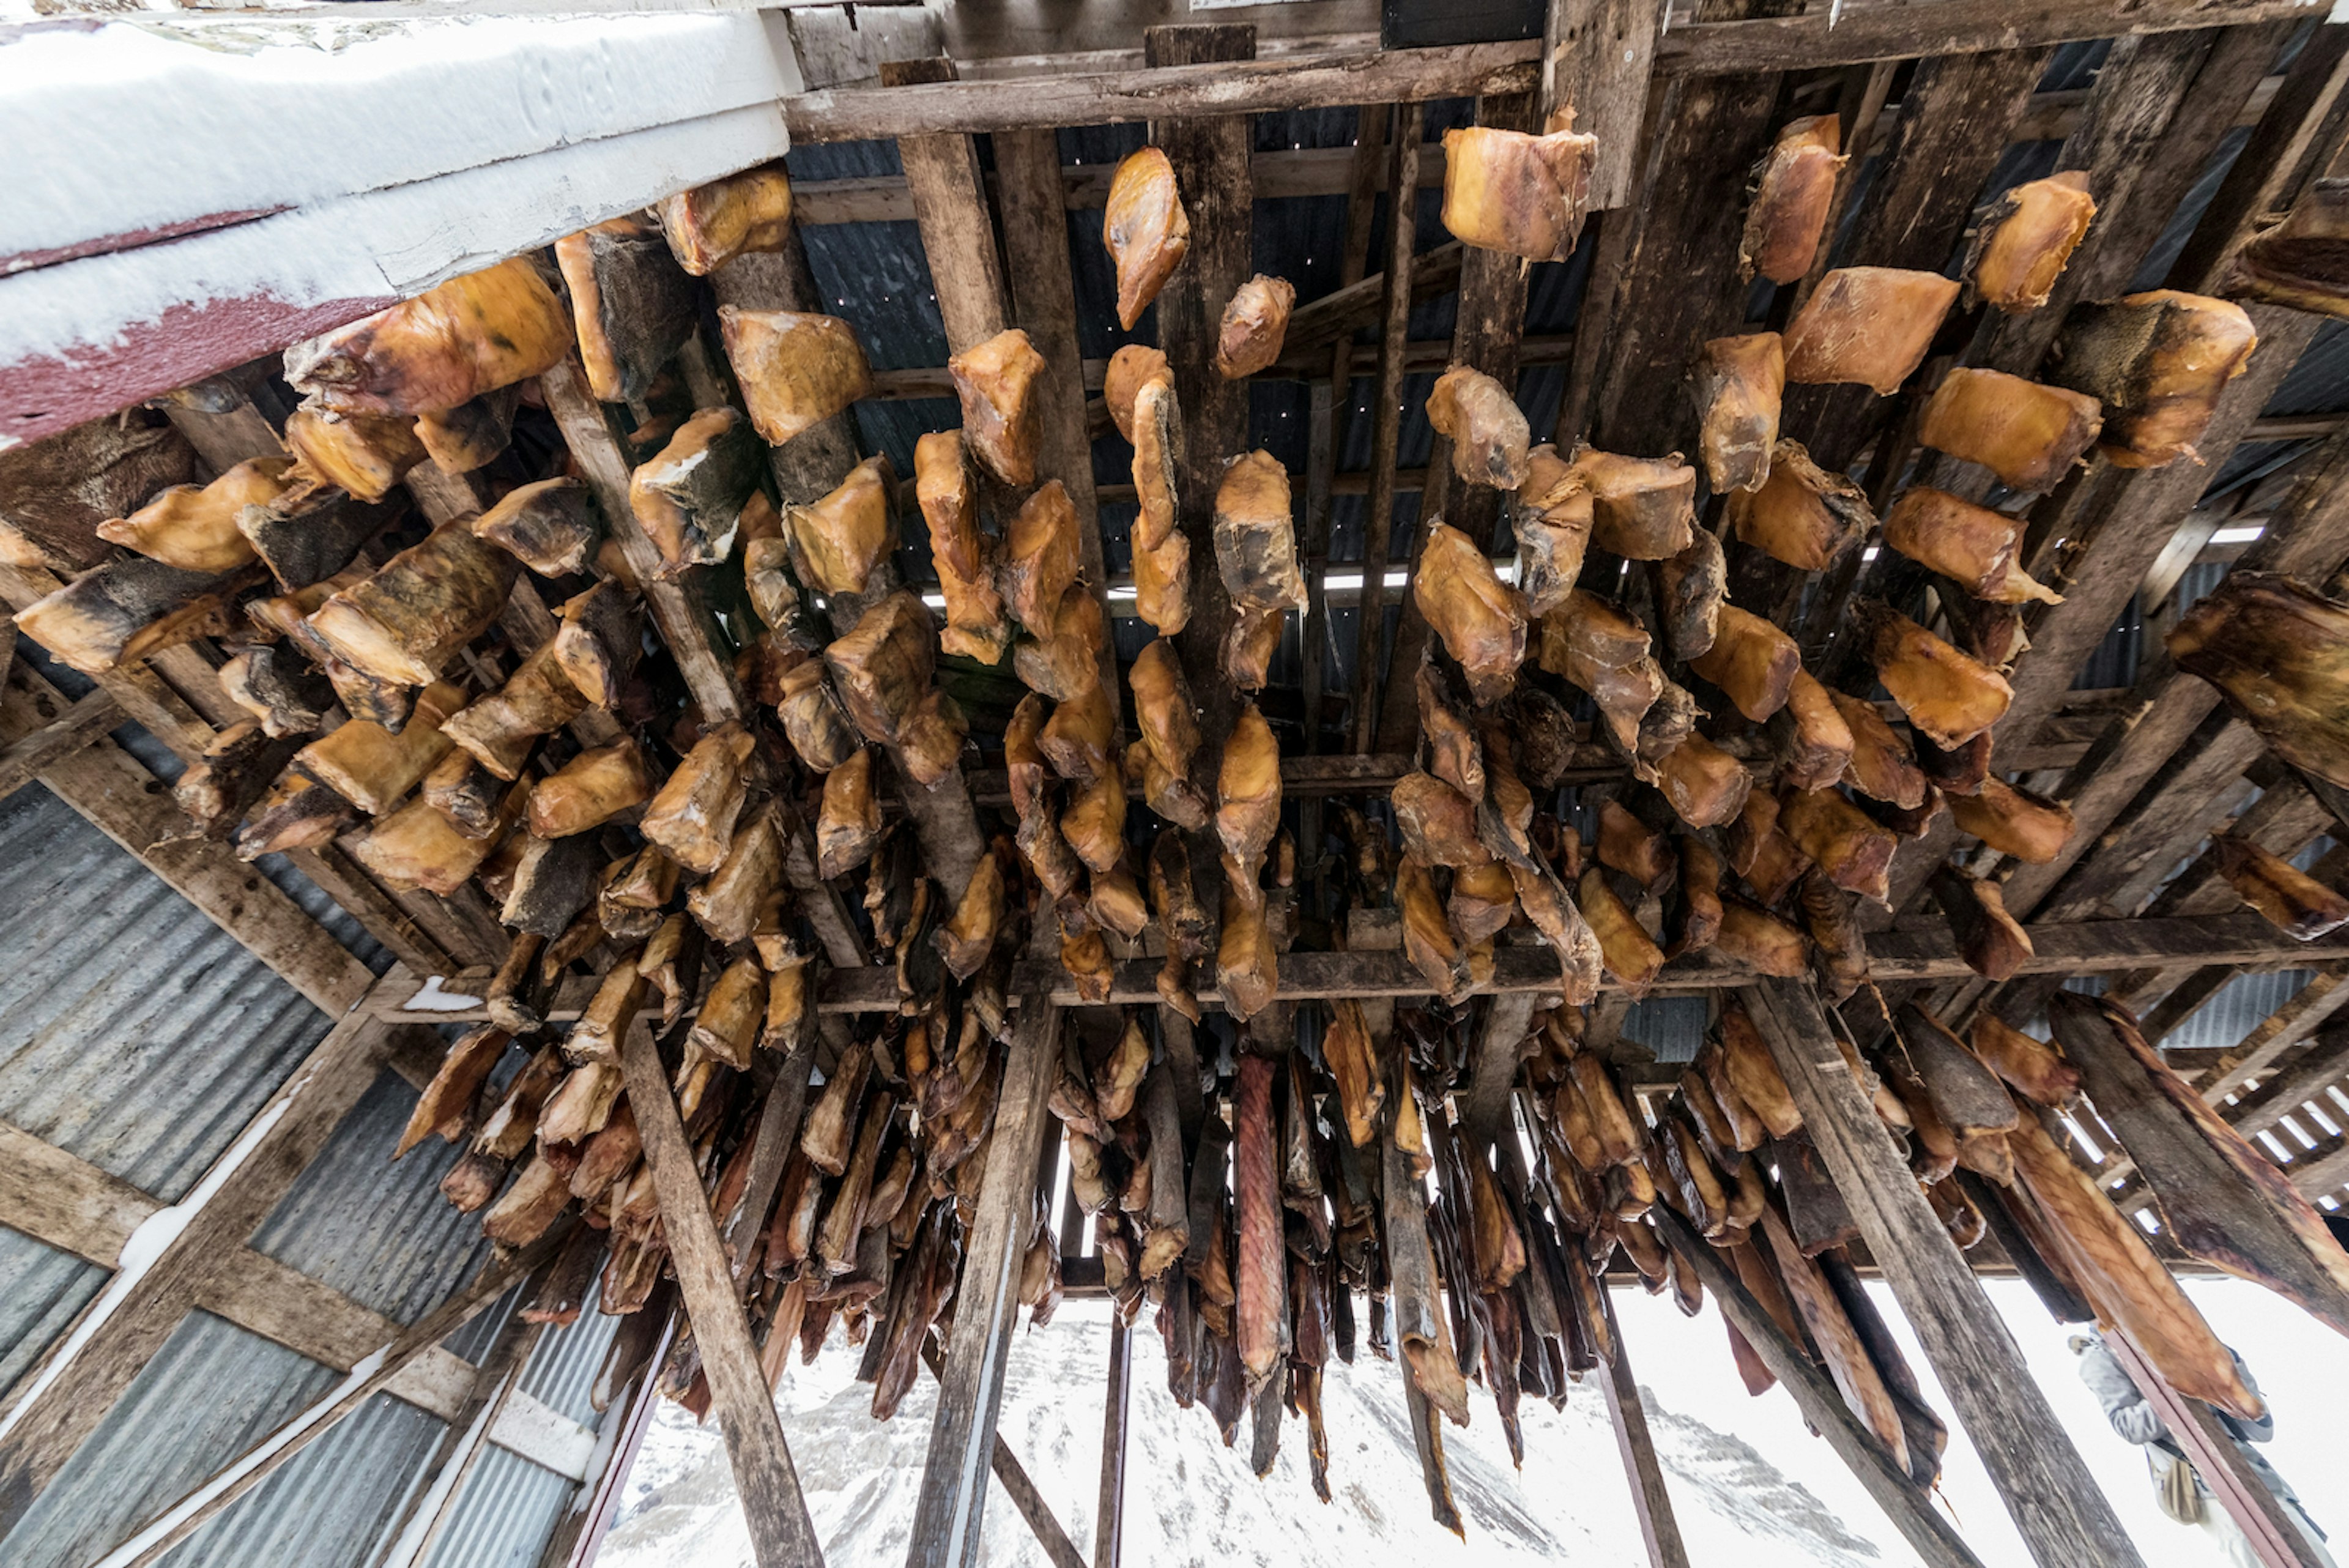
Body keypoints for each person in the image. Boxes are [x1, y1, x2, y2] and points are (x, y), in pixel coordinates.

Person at [2071, 1329, 2335, 1567]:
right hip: (2208, 1487)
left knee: (2313, 1557)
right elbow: (2129, 1426)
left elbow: (2258, 1428)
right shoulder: (2100, 1357)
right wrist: (2180, 1386)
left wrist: (2229, 1366)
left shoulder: (2168, 1334)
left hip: (2258, 1478)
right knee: (2255, 1557)